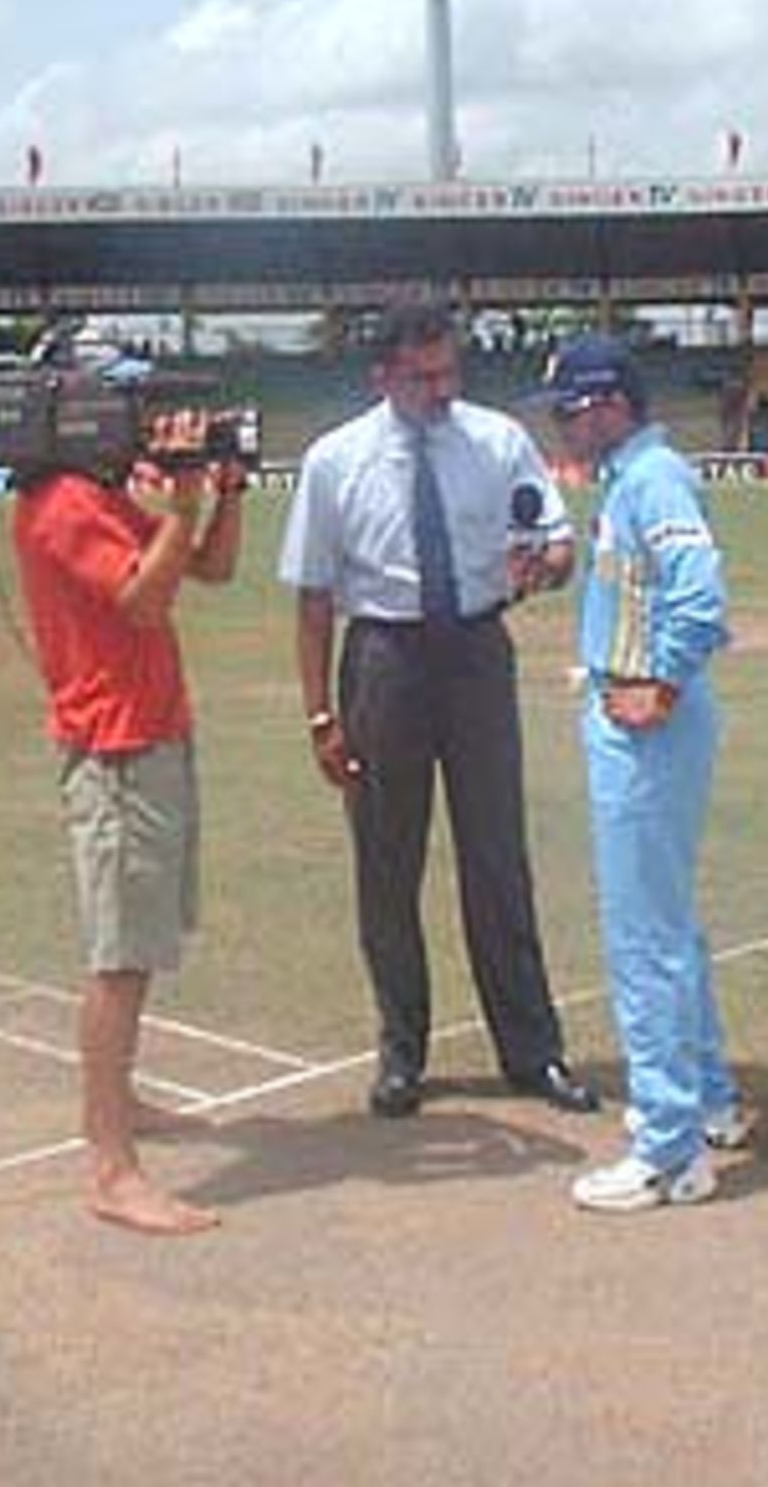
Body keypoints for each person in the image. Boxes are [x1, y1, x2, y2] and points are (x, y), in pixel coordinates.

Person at [278, 297, 598, 1119]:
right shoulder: (334, 460)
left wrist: (547, 564)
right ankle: (402, 1054)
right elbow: (313, 599)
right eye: (422, 377)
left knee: (498, 857)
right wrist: (320, 716)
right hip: (384, 660)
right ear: (381, 376)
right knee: (387, 865)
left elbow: (557, 540)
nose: (442, 389)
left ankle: (533, 1053)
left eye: (451, 370)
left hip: (478, 654)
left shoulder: (498, 440)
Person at [13, 398, 246, 1236]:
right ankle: (112, 1169)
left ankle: (122, 1103)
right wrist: (180, 504)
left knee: (140, 946)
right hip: (115, 747)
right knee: (119, 957)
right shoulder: (64, 503)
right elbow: (144, 601)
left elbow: (210, 569)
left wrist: (224, 494)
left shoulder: (103, 494)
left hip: (152, 731)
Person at [544, 334, 747, 1213]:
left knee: (643, 940)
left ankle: (669, 1152)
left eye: (569, 409)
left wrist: (658, 680)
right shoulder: (632, 478)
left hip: (647, 727)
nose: (561, 426)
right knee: (669, 927)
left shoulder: (653, 480)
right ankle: (707, 1100)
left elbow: (700, 594)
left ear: (610, 404)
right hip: (637, 708)